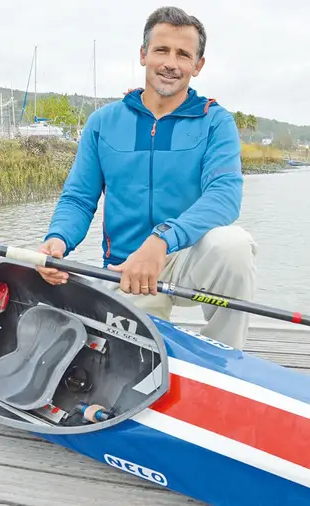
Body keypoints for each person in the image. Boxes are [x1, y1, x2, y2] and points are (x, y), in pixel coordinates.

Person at [35, 6, 257, 349]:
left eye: (183, 54)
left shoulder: (216, 121)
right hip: (125, 270)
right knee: (132, 360)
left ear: (197, 65)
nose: (171, 62)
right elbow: (79, 198)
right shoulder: (102, 122)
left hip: (185, 260)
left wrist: (162, 241)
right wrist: (58, 240)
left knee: (234, 245)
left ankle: (226, 357)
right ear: (143, 55)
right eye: (162, 50)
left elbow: (224, 196)